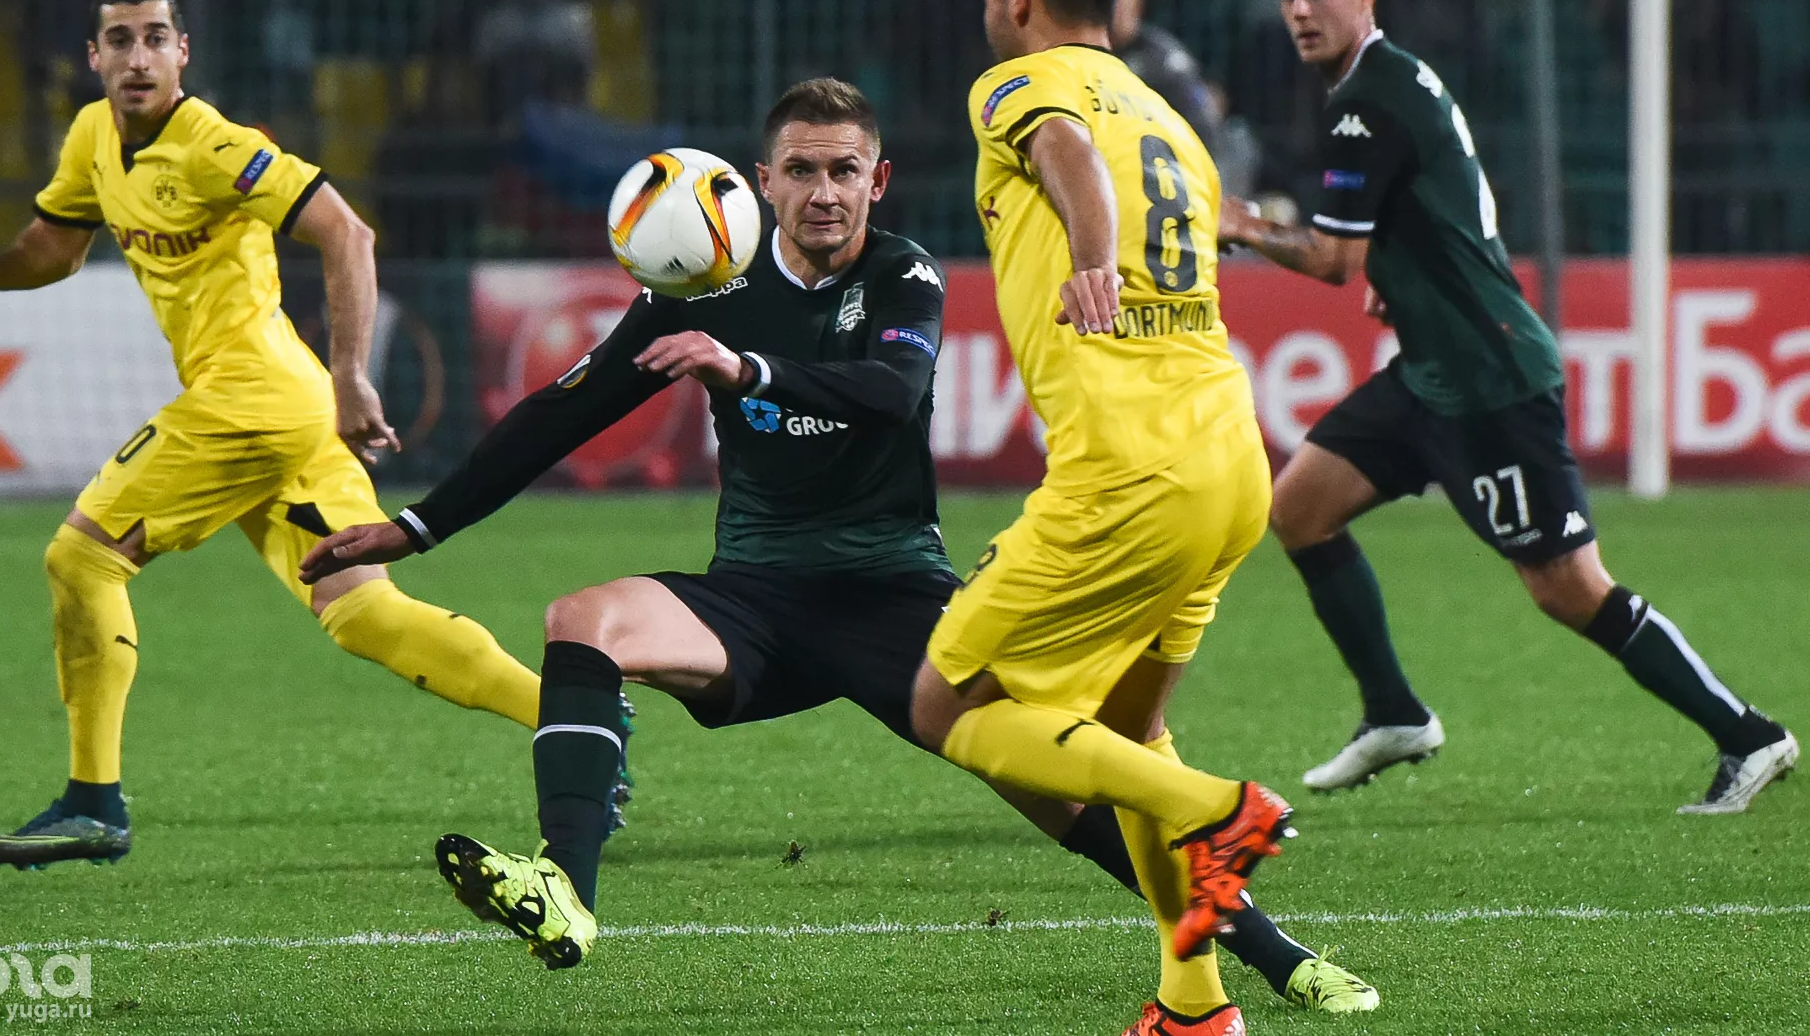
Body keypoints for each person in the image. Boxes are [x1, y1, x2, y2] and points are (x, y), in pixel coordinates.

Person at [302, 78, 1375, 1014]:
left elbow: (890, 389)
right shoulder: (705, 286)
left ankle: (1277, 955)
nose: (826, 192)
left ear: (879, 180)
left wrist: (746, 371)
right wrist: (417, 525)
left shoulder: (903, 276)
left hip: (893, 596)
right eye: (804, 171)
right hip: (754, 598)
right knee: (581, 621)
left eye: (846, 171)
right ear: (763, 182)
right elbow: (559, 412)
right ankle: (566, 891)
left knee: (1071, 797)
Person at [0, 0, 541, 870]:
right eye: (120, 39)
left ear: (182, 52)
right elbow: (54, 250)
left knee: (82, 557)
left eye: (155, 37)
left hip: (252, 399)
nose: (138, 56)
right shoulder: (93, 137)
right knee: (363, 611)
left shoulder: (215, 146)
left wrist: (352, 375)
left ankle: (94, 803)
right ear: (93, 56)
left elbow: (347, 232)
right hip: (279, 409)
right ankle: (570, 717)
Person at [1218, 0, 1797, 812]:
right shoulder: (1391, 81)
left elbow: (1333, 260)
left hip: (1489, 378)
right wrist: (1402, 280)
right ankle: (1394, 712)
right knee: (1298, 508)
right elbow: (1444, 204)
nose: (1300, 9)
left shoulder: (1366, 99)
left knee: (1568, 589)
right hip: (1432, 369)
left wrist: (1243, 223)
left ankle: (1748, 733)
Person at [908, 0, 1318, 1036]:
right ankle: (1195, 1004)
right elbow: (1216, 223)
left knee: (948, 706)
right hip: (1230, 459)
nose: (983, 13)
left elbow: (1067, 153)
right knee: (1129, 731)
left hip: (1127, 471)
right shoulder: (1170, 115)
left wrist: (1090, 258)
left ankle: (1216, 807)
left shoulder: (1019, 86)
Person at [1111, 0, 1264, 206]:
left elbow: (1204, 127)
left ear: (1138, 0)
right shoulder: (1088, 54)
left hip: (1173, 177)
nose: (1113, 6)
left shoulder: (1161, 58)